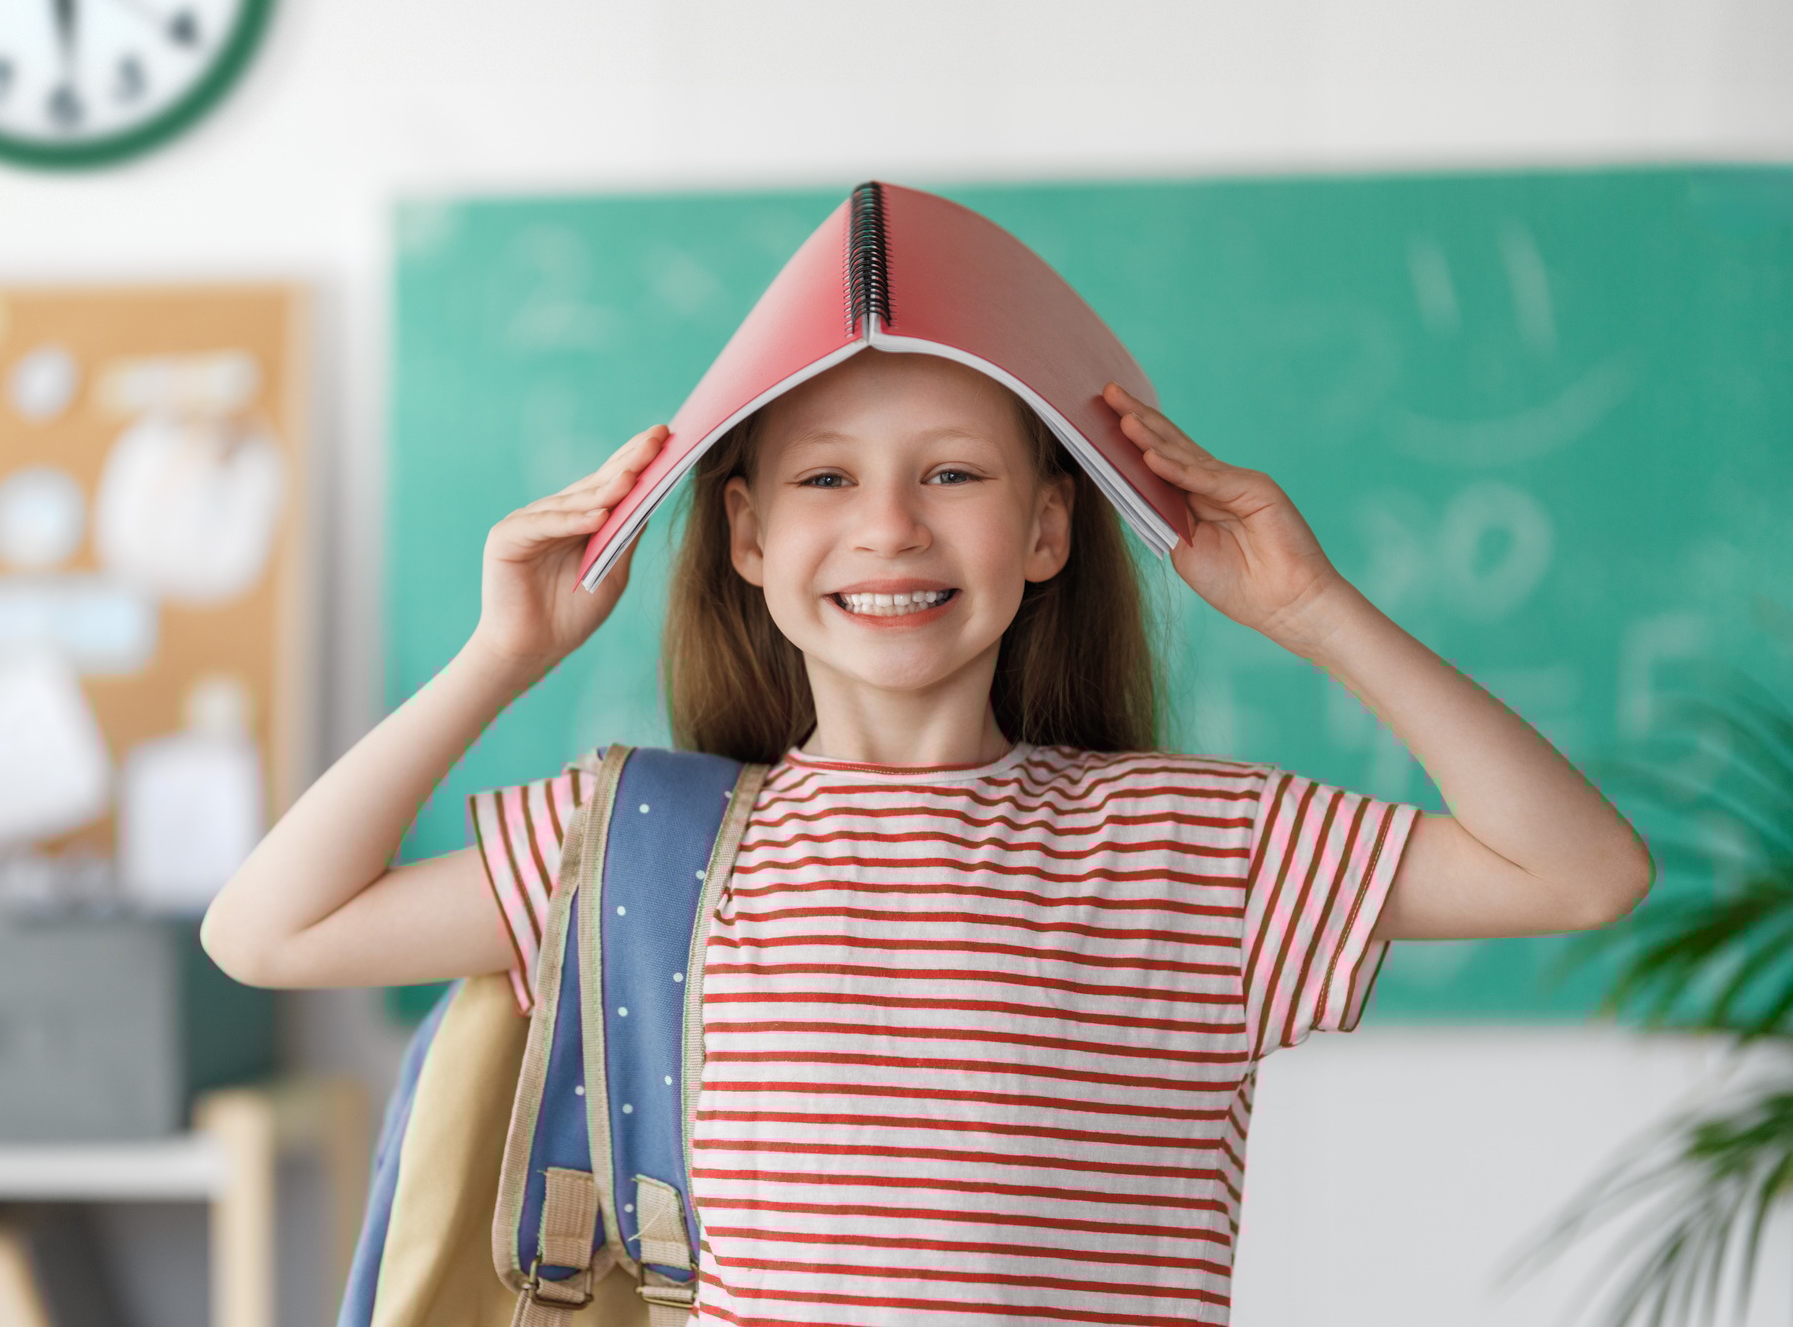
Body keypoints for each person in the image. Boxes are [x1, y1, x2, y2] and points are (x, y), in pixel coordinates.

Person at [202, 347, 1651, 1325]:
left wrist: (1310, 612)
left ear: (1047, 531)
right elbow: (270, 929)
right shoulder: (648, 845)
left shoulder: (1186, 845)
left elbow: (1581, 871)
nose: (890, 527)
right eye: (828, 479)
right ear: (748, 535)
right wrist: (497, 658)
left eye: (952, 475)